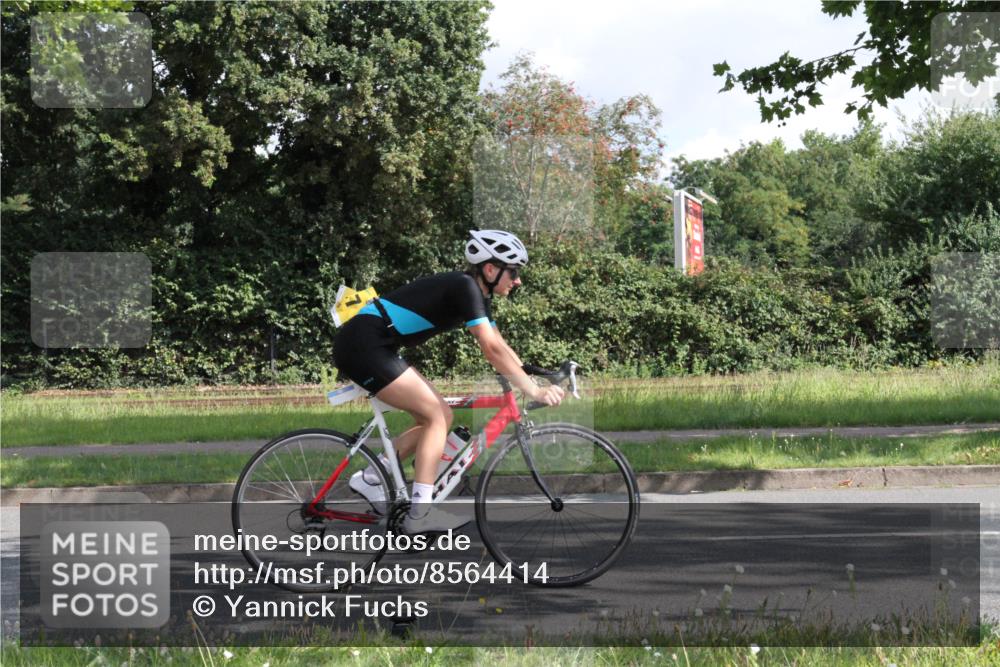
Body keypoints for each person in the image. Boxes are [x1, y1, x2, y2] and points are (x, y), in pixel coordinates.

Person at [333, 229, 565, 534]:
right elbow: (491, 348)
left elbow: (499, 343)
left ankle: (373, 478)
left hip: (375, 344)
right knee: (436, 417)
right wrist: (532, 389)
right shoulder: (464, 287)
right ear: (491, 269)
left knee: (439, 416)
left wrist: (532, 372)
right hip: (364, 345)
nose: (518, 280)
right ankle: (420, 515)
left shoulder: (475, 292)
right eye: (514, 272)